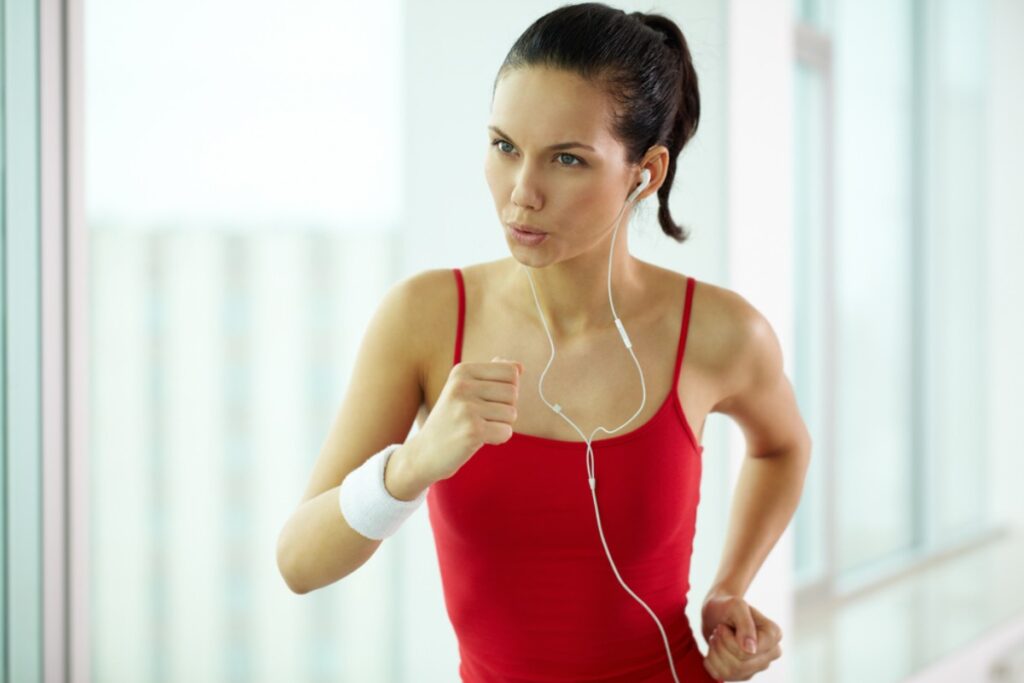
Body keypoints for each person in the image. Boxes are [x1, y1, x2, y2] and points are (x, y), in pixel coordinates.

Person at [277, 3, 812, 682]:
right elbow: (298, 562)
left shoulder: (723, 333)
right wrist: (411, 465)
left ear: (645, 173)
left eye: (566, 158)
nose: (520, 194)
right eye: (504, 146)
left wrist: (728, 587)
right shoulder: (425, 318)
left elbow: (783, 445)